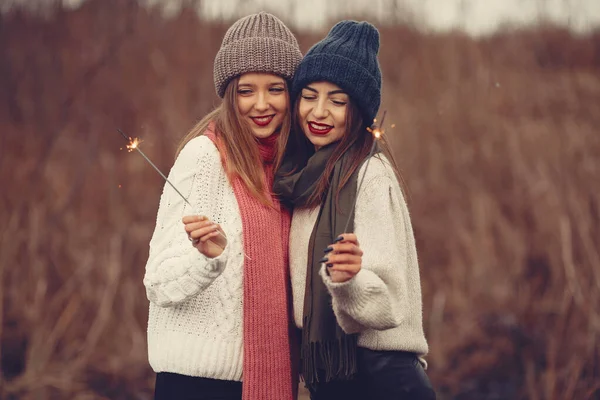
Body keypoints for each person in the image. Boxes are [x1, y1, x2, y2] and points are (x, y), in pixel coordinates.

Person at [143, 12, 302, 400]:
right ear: (230, 94)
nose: (261, 104)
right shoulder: (204, 157)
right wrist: (207, 259)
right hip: (195, 384)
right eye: (247, 90)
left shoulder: (294, 168)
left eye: (275, 89)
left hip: (269, 379)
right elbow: (157, 281)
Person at [273, 20, 436, 400]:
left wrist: (349, 279)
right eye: (309, 96)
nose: (319, 111)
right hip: (333, 379)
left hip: (380, 377)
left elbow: (386, 306)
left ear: (358, 110)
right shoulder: (305, 177)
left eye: (337, 101)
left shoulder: (370, 175)